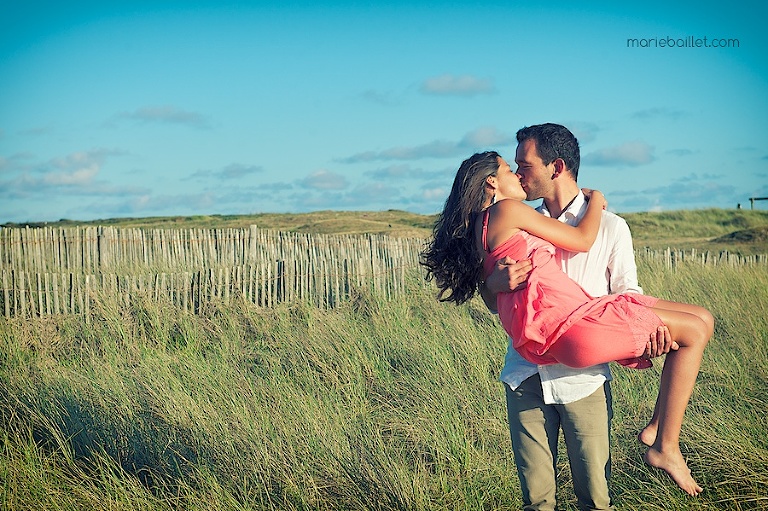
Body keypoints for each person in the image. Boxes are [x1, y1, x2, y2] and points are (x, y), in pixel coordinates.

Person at [420, 138, 713, 503]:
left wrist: (645, 325)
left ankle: (659, 431)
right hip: (537, 364)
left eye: (522, 165)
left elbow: (628, 291)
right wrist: (599, 199)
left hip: (582, 372)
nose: (519, 174)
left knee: (702, 319)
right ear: (492, 183)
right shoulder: (518, 215)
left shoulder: (608, 226)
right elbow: (576, 243)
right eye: (513, 168)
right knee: (540, 501)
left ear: (555, 167)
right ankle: (665, 443)